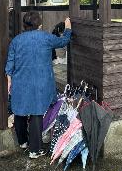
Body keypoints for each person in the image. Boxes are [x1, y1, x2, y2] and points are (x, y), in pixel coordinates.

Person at [5, 11, 72, 159]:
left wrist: (9, 80)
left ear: (24, 25)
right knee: (36, 112)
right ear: (39, 24)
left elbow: (10, 62)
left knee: (20, 110)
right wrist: (67, 28)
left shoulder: (17, 40)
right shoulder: (46, 37)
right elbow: (63, 41)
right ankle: (34, 150)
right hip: (40, 81)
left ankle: (22, 141)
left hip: (20, 80)